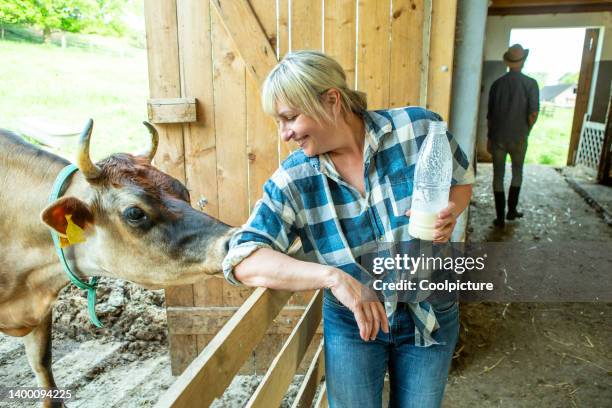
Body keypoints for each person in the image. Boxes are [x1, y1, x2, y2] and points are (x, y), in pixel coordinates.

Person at [222, 51, 474, 407]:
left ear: (331, 100)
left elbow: (461, 182)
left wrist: (450, 212)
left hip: (430, 309)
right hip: (354, 320)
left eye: (290, 118)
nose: (284, 134)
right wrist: (334, 279)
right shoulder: (294, 179)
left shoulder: (417, 129)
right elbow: (242, 258)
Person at [487, 43, 539, 227]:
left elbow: (490, 116)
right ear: (523, 61)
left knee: (497, 176)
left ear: (508, 62)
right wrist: (526, 130)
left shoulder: (496, 84)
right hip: (519, 137)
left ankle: (500, 217)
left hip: (498, 138)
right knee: (517, 173)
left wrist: (489, 138)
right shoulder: (531, 84)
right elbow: (533, 114)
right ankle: (512, 211)